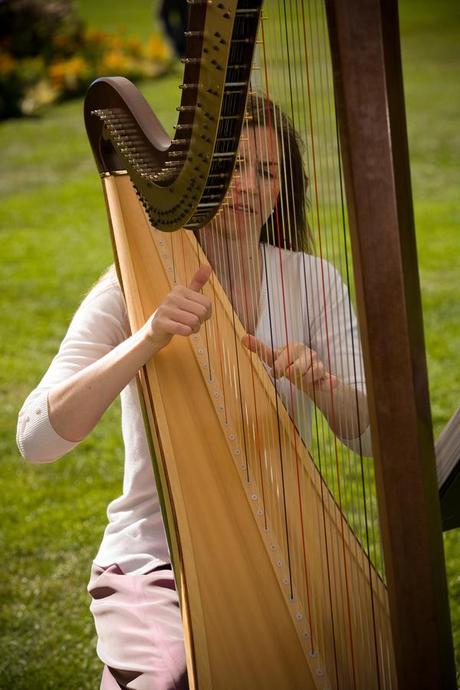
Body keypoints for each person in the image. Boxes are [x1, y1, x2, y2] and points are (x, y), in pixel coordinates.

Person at [16, 94, 370, 690]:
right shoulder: (125, 288)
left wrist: (320, 383)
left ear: (285, 187)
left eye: (267, 170)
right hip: (153, 556)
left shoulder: (311, 280)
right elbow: (35, 440)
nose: (248, 186)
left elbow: (363, 433)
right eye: (232, 165)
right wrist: (148, 336)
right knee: (166, 679)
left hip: (287, 549)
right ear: (200, 178)